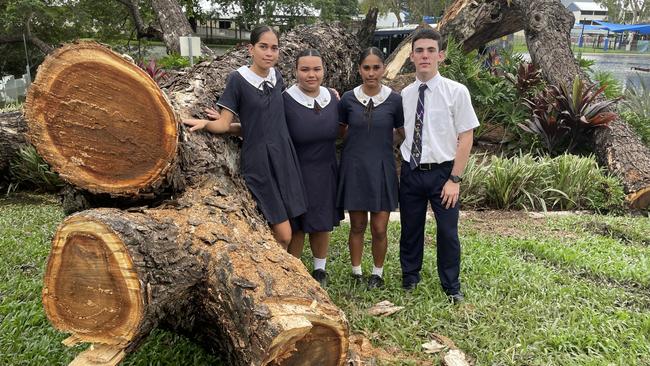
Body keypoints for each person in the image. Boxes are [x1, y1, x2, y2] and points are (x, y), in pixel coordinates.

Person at [182, 25, 307, 249]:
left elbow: (267, 121)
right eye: (263, 47)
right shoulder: (237, 79)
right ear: (251, 49)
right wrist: (206, 124)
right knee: (284, 234)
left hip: (284, 156)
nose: (269, 53)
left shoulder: (277, 76)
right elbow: (223, 123)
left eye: (274, 48)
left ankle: (288, 276)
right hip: (259, 162)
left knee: (296, 224)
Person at [398, 28, 479, 303]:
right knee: (410, 228)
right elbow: (401, 131)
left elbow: (467, 136)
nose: (425, 55)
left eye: (430, 50)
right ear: (411, 56)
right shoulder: (405, 94)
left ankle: (451, 286)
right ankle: (410, 276)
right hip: (411, 171)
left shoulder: (456, 92)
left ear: (440, 55)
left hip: (443, 174)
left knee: (447, 232)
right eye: (419, 50)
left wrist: (454, 179)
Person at [337, 47, 404, 289]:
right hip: (354, 168)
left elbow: (402, 133)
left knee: (379, 228)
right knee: (356, 226)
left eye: (376, 67)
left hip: (382, 169)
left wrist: (383, 147)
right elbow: (341, 131)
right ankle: (356, 272)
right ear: (359, 69)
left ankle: (377, 272)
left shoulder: (395, 100)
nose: (371, 73)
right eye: (366, 67)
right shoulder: (347, 99)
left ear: (383, 69)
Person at [283, 49, 342, 287]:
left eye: (316, 69)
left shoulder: (333, 98)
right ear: (296, 71)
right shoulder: (285, 99)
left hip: (326, 169)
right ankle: (293, 270)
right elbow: (261, 125)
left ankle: (320, 270)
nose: (311, 74)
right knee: (298, 225)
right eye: (305, 69)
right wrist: (225, 124)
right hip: (297, 170)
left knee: (322, 221)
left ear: (323, 71)